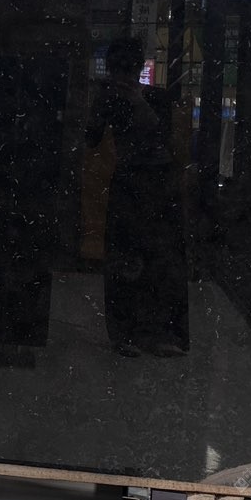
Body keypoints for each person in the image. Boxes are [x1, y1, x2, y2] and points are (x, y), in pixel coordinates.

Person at [85, 37, 189, 357]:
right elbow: (91, 137)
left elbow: (162, 134)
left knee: (157, 257)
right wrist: (100, 104)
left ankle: (151, 332)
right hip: (135, 180)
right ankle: (130, 332)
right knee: (127, 255)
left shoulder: (155, 98)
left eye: (127, 69)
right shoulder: (109, 99)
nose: (124, 75)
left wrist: (138, 102)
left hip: (153, 181)